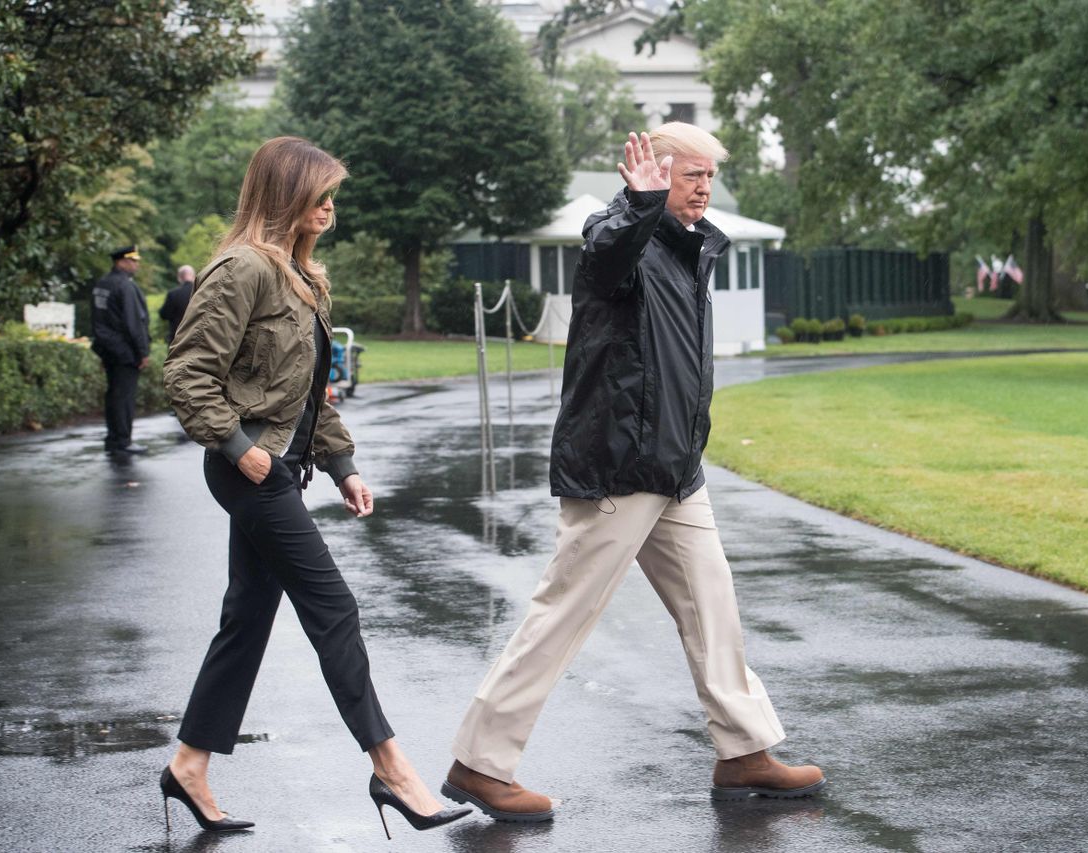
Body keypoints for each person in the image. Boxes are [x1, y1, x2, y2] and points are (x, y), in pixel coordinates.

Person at [442, 125, 825, 822]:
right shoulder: (623, 236)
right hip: (618, 467)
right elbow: (609, 249)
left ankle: (743, 749)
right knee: (562, 614)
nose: (703, 187)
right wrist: (639, 204)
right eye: (690, 175)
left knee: (714, 608)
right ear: (656, 176)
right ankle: (479, 763)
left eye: (710, 176)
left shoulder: (687, 250)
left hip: (677, 468)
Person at [160, 137, 470, 836]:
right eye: (319, 195)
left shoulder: (303, 276)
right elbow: (186, 374)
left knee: (245, 622)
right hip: (252, 473)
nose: (330, 207)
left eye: (332, 196)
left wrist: (342, 466)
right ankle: (391, 768)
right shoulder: (242, 269)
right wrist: (243, 453)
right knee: (334, 607)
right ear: (285, 197)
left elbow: (309, 395)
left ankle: (189, 764)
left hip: (281, 471)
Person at [91, 245, 151, 454]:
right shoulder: (125, 286)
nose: (136, 264)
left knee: (114, 396)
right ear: (121, 261)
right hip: (125, 352)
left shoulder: (102, 283)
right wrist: (142, 352)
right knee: (124, 397)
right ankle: (123, 441)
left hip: (108, 349)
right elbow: (134, 323)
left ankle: (113, 438)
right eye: (133, 261)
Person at [160, 264, 195, 344]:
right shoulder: (200, 292)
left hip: (176, 338)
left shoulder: (173, 294)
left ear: (179, 278)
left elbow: (164, 315)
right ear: (194, 276)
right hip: (196, 338)